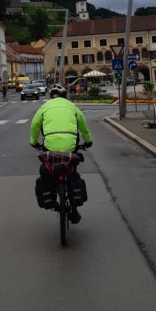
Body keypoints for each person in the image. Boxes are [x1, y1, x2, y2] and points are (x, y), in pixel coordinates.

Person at [30, 95, 92, 223]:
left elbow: (35, 125)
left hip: (50, 147)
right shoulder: (72, 106)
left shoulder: (44, 107)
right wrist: (88, 141)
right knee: (72, 170)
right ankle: (74, 210)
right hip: (70, 146)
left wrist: (34, 142)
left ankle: (52, 198)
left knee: (48, 172)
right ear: (64, 97)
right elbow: (83, 126)